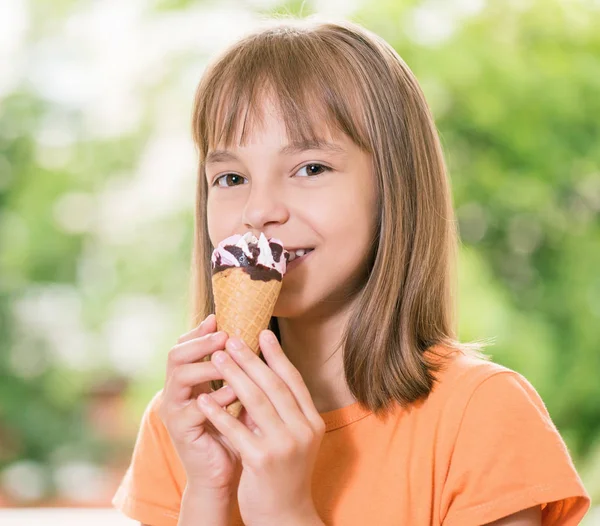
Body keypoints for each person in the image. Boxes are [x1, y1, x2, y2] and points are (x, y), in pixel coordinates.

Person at [112, 16, 590, 526]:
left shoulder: (481, 414)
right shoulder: (182, 424)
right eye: (231, 177)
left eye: (310, 168)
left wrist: (284, 510)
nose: (259, 209)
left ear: (394, 188)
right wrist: (207, 493)